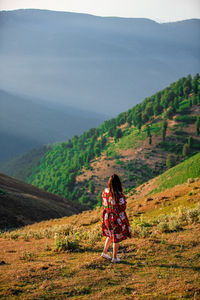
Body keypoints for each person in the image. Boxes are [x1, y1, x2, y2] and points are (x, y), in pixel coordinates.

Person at [101, 174, 131, 263]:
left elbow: (104, 203)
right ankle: (114, 257)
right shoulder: (119, 194)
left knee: (110, 235)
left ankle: (104, 252)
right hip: (116, 218)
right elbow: (123, 207)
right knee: (116, 238)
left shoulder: (105, 191)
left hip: (107, 216)